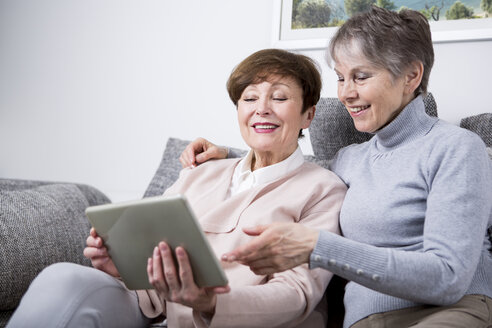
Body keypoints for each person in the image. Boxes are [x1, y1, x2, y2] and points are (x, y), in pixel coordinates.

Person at [179, 6, 492, 328]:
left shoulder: (457, 148)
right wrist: (230, 154)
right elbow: (296, 167)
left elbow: (448, 277)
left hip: (450, 311)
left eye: (361, 76)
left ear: (411, 75)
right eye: (341, 78)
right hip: (363, 320)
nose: (345, 93)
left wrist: (318, 247)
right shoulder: (350, 159)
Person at [7, 49, 347, 328]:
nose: (261, 108)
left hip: (241, 320)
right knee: (63, 279)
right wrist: (124, 267)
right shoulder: (199, 173)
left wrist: (211, 301)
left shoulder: (322, 189)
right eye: (249, 98)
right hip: (162, 314)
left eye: (279, 97)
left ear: (308, 115)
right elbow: (151, 277)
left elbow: (298, 293)